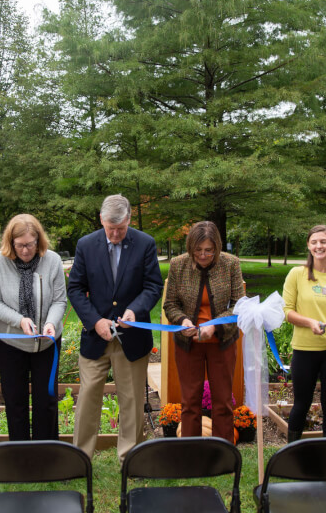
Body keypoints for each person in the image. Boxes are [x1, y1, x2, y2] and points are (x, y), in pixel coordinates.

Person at [68, 194, 163, 462]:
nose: (115, 234)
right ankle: (81, 458)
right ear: (101, 220)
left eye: (120, 229)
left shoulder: (145, 244)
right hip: (95, 338)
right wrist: (94, 321)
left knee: (132, 402)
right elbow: (75, 288)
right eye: (110, 229)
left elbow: (153, 285)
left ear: (129, 219)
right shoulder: (85, 245)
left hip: (132, 339)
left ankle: (129, 459)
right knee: (87, 400)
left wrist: (136, 309)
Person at [163, 221, 244, 442]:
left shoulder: (231, 264)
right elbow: (170, 304)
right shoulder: (178, 265)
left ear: (217, 247)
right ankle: (190, 451)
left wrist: (215, 325)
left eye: (209, 250)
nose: (203, 255)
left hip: (222, 343)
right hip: (188, 344)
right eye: (198, 250)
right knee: (189, 401)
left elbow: (239, 305)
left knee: (223, 401)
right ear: (190, 248)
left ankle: (223, 451)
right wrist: (183, 320)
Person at [0, 214, 67, 441]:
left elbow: (60, 300)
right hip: (11, 342)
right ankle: (20, 452)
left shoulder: (51, 260)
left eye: (30, 245)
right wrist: (20, 320)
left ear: (38, 240)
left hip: (47, 342)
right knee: (15, 400)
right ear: (11, 243)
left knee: (47, 400)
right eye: (20, 245)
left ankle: (46, 451)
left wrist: (51, 323)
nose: (25, 251)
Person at [283, 224, 326, 442]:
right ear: (308, 245)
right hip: (304, 350)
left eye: (323, 241)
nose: (319, 246)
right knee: (301, 404)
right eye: (314, 242)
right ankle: (290, 454)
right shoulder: (297, 274)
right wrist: (310, 322)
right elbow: (287, 311)